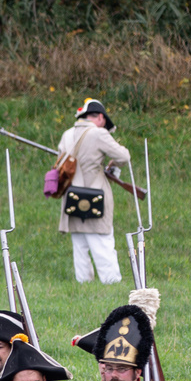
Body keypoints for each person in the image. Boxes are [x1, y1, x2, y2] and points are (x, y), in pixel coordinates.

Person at [54, 98, 132, 284]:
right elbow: (124, 156)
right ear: (101, 118)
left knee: (80, 246)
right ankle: (111, 283)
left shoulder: (67, 134)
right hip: (95, 196)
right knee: (102, 244)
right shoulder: (98, 134)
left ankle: (84, 284)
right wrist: (112, 165)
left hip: (72, 196)